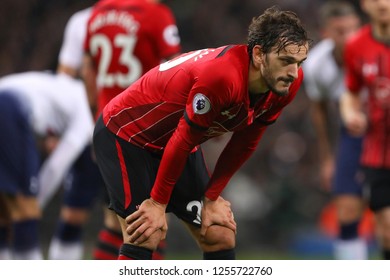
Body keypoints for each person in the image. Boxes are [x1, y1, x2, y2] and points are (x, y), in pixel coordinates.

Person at [92, 6, 310, 260]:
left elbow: (246, 142)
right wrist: (158, 203)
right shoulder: (222, 77)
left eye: (299, 62)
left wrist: (212, 197)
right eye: (285, 61)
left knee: (219, 234)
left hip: (175, 146)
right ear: (259, 54)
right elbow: (183, 139)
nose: (294, 72)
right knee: (147, 233)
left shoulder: (285, 83)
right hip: (127, 136)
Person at [45, 0, 181, 260]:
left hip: (106, 127)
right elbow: (177, 67)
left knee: (115, 221)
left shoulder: (97, 14)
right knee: (154, 222)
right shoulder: (156, 13)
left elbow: (87, 70)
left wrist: (95, 115)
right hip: (145, 129)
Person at [0, 71, 94, 259]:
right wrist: (36, 203)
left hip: (7, 98)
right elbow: (56, 167)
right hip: (9, 105)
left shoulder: (63, 87)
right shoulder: (85, 115)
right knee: (24, 210)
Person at [302, 1, 368, 259]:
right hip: (351, 133)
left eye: (353, 29)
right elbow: (319, 110)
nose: (349, 36)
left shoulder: (377, 50)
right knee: (347, 208)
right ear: (326, 33)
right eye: (341, 30)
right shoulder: (316, 65)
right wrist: (327, 158)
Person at [340, 0, 390, 260]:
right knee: (387, 229)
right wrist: (351, 114)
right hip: (377, 151)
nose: (382, 3)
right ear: (364, 5)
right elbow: (351, 93)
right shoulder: (356, 45)